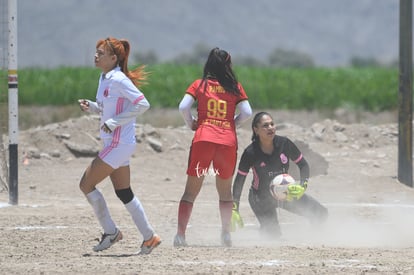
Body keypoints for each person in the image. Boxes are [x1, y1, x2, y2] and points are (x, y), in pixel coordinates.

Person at [78, 37, 161, 255]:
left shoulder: (119, 79)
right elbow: (108, 108)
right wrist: (93, 107)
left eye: (101, 53)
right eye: (96, 52)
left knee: (86, 185)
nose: (96, 55)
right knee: (124, 192)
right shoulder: (104, 77)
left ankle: (111, 232)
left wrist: (115, 122)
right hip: (117, 144)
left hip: (118, 143)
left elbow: (143, 104)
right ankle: (149, 237)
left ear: (114, 58)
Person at [174, 47, 252, 247]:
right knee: (225, 192)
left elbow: (183, 106)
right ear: (228, 65)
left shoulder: (199, 85)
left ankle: (181, 236)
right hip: (227, 142)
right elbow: (247, 112)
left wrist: (192, 122)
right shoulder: (235, 87)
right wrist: (232, 123)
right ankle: (226, 234)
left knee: (190, 191)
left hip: (203, 139)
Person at [231, 111, 328, 238]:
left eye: (272, 124)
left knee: (320, 213)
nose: (270, 128)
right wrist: (234, 208)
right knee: (273, 236)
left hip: (285, 193)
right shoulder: (250, 152)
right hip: (261, 198)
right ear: (256, 130)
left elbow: (303, 165)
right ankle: (263, 231)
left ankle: (316, 239)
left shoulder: (284, 144)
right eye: (265, 125)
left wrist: (302, 186)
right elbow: (239, 180)